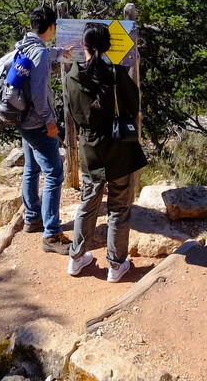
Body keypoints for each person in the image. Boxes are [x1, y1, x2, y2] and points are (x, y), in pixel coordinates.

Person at [64, 22, 148, 282]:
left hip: (91, 150)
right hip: (119, 148)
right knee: (119, 207)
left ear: (83, 45)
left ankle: (77, 258)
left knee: (88, 204)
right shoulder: (116, 74)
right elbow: (133, 104)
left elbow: (71, 112)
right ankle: (116, 264)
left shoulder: (72, 77)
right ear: (109, 46)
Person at [16, 5, 71, 254]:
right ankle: (52, 234)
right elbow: (39, 95)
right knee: (54, 174)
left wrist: (61, 52)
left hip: (23, 119)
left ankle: (32, 218)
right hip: (38, 122)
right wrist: (50, 121)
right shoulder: (38, 53)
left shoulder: (25, 45)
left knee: (31, 168)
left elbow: (44, 55)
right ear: (51, 27)